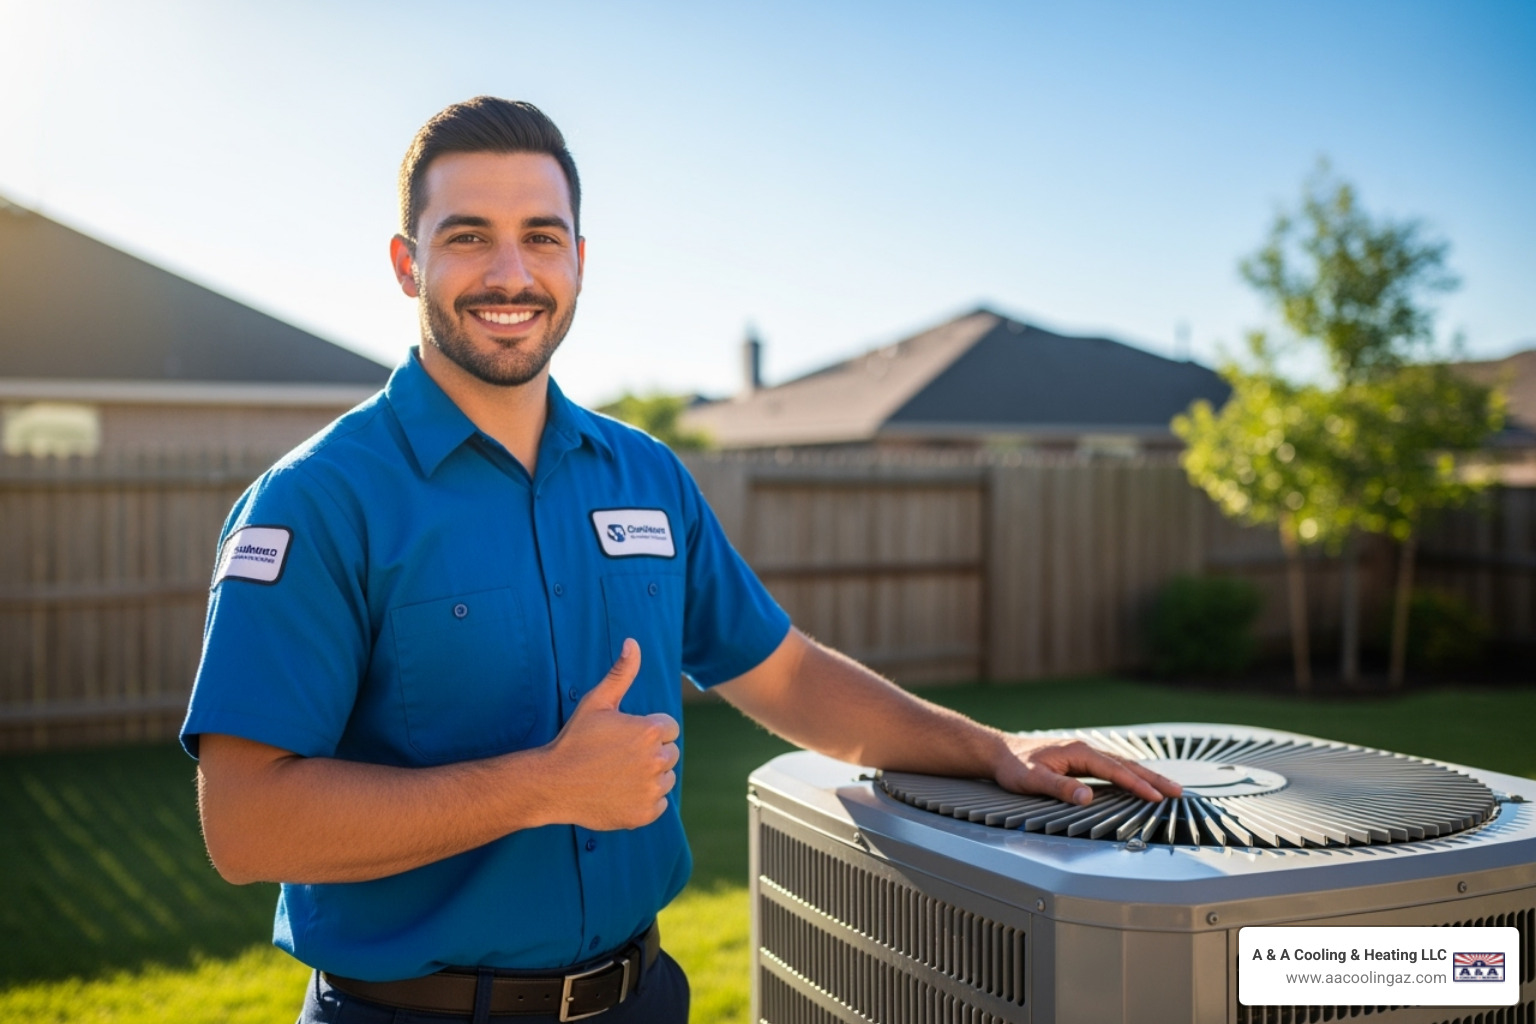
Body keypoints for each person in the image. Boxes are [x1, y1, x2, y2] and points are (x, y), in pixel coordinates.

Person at [183, 96, 1179, 1024]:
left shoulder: (645, 476)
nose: (510, 273)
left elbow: (782, 670)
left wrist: (991, 749)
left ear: (580, 258)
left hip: (644, 995)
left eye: (541, 236)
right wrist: (544, 786)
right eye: (467, 236)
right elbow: (247, 823)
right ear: (408, 263)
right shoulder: (318, 501)